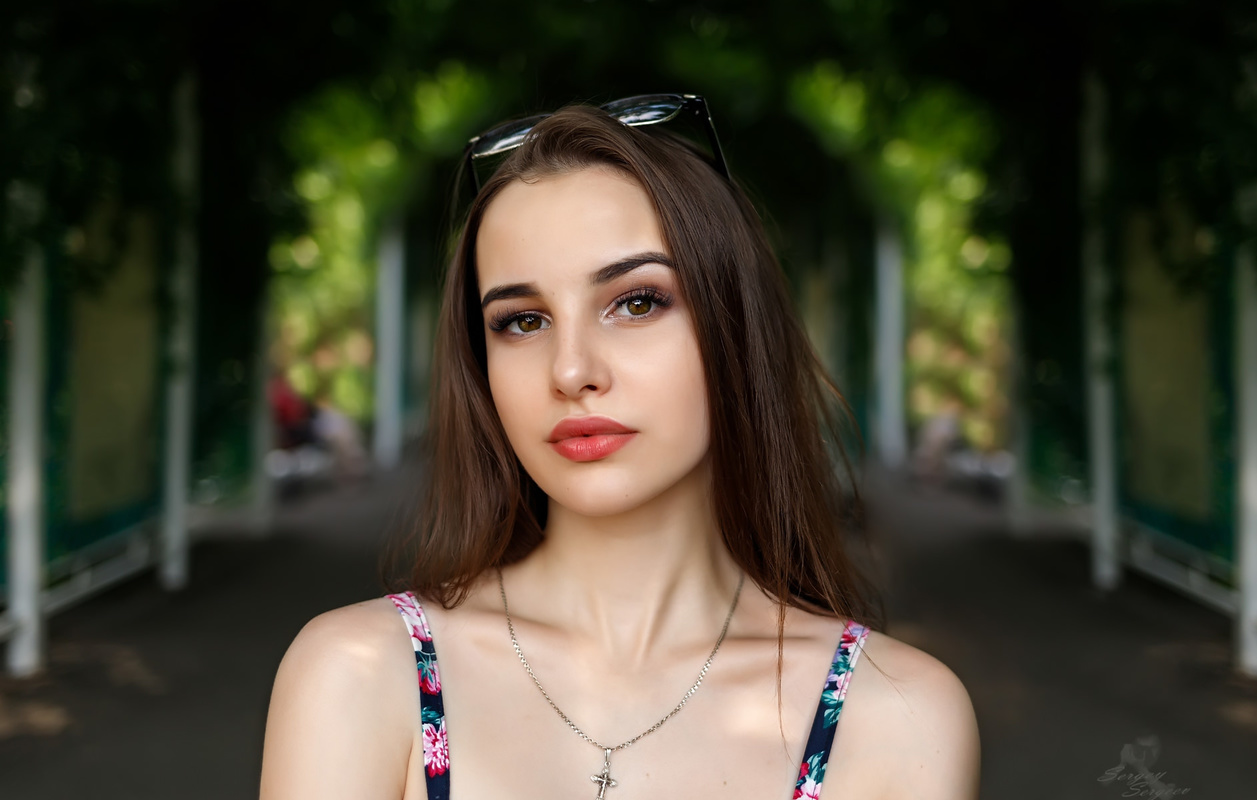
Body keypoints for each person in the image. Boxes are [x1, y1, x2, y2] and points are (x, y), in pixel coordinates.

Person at [260, 95, 980, 800]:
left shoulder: (894, 718)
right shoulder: (359, 676)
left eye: (636, 302)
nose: (571, 371)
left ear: (734, 325)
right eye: (521, 321)